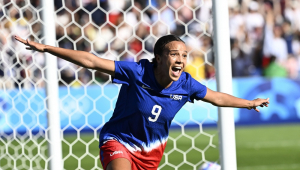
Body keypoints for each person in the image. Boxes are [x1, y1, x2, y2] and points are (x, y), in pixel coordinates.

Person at [15, 34, 270, 170]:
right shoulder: (137, 72)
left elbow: (217, 97)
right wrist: (47, 49)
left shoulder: (187, 84)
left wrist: (248, 103)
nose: (180, 60)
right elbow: (91, 60)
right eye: (174, 54)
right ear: (159, 58)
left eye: (184, 55)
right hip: (118, 140)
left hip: (150, 155)